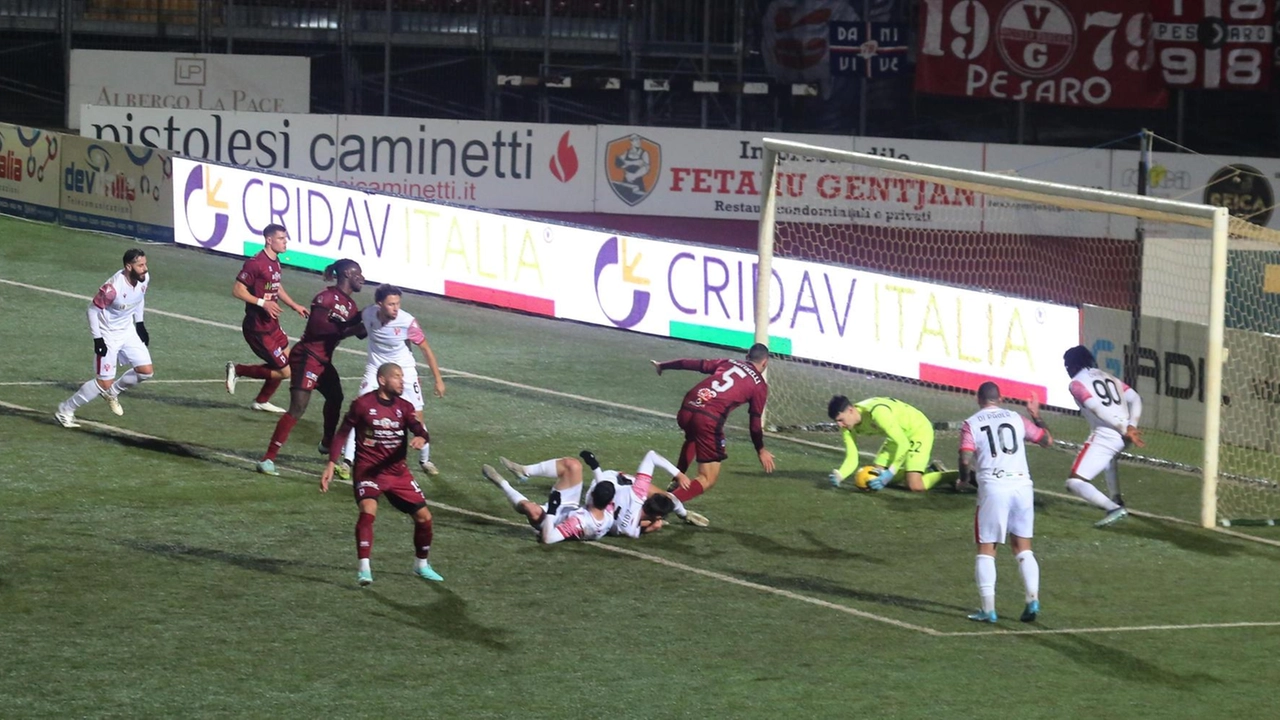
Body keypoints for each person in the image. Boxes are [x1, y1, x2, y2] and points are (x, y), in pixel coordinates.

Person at [320, 363, 442, 585]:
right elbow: (342, 434)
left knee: (425, 518)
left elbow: (419, 428)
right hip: (369, 472)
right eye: (396, 376)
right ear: (382, 380)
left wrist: (422, 437)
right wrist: (331, 463)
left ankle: (421, 565)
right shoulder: (362, 405)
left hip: (398, 474)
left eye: (402, 376)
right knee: (368, 510)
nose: (401, 380)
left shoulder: (404, 407)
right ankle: (364, 569)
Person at [256, 258, 366, 476]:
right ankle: (267, 459)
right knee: (298, 408)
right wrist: (355, 326)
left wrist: (373, 318)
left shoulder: (351, 306)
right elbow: (318, 330)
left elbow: (362, 332)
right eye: (357, 275)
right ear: (346, 275)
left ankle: (327, 442)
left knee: (336, 397)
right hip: (307, 357)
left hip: (323, 360)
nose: (362, 279)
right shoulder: (325, 298)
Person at [958, 382, 1053, 624]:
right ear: (1000, 398)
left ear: (979, 399)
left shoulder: (972, 423)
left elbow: (965, 455)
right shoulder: (1017, 419)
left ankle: (988, 609)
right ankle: (1032, 598)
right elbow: (1046, 441)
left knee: (986, 548)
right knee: (1023, 547)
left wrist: (964, 478)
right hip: (1022, 487)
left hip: (994, 487)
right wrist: (1036, 415)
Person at [336, 284, 445, 480]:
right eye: (391, 304)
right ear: (380, 304)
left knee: (416, 417)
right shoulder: (369, 314)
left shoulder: (407, 322)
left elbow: (426, 350)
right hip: (375, 370)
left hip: (405, 372)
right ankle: (347, 461)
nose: (396, 308)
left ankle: (425, 460)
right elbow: (355, 326)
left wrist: (438, 380)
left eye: (398, 303)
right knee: (358, 411)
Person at [651, 343, 775, 503]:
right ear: (765, 362)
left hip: (688, 406)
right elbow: (755, 422)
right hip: (708, 418)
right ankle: (660, 505)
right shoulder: (759, 386)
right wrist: (761, 449)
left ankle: (676, 481)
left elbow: (692, 364)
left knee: (693, 437)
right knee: (708, 478)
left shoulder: (728, 362)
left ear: (747, 357)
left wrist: (663, 365)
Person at [56, 249, 153, 427]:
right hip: (108, 334)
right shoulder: (112, 289)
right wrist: (97, 339)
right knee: (103, 381)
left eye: (145, 264)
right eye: (140, 265)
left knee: (146, 371)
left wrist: (139, 324)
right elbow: (92, 310)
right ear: (128, 266)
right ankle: (65, 409)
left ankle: (112, 392)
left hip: (127, 330)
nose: (145, 268)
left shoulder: (143, 278)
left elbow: (139, 298)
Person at [224, 223, 310, 414]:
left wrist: (294, 305)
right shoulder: (256, 263)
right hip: (258, 328)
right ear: (269, 240)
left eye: (285, 238)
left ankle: (261, 401)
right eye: (281, 238)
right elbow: (237, 290)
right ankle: (238, 369)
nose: (285, 241)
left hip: (272, 324)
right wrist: (263, 303)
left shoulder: (275, 261)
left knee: (288, 361)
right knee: (284, 371)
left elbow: (276, 286)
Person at [1062, 345, 1144, 528]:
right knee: (1109, 460)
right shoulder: (1108, 377)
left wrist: (1124, 428)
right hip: (1124, 436)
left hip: (1109, 435)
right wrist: (1131, 425)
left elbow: (1096, 408)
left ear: (1071, 366)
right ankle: (1117, 498)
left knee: (1074, 481)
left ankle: (1113, 508)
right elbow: (1136, 398)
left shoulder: (1076, 384)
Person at [826, 395, 957, 491]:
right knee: (876, 473)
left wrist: (891, 473)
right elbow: (852, 457)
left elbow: (904, 445)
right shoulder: (846, 427)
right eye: (837, 421)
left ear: (850, 410)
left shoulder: (878, 413)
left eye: (841, 420)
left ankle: (960, 475)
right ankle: (928, 469)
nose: (839, 424)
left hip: (918, 429)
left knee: (915, 485)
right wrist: (840, 475)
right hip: (897, 435)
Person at [481, 456, 618, 544]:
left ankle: (502, 483)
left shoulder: (578, 522)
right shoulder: (608, 512)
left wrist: (552, 509)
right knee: (573, 465)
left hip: (554, 522)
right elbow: (604, 491)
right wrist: (595, 466)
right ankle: (524, 470)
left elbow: (548, 539)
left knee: (530, 509)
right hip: (570, 507)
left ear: (592, 496)